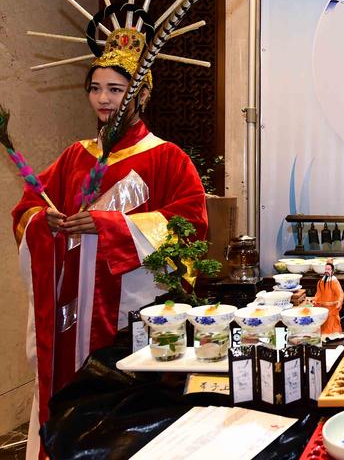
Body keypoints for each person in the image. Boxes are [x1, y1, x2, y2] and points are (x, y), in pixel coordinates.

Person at [11, 26, 208, 459]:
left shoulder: (167, 156)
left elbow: (190, 226)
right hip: (72, 309)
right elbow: (26, 211)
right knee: (65, 391)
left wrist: (110, 227)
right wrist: (48, 221)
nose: (104, 99)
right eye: (96, 88)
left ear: (141, 95)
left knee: (124, 401)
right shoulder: (74, 155)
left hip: (126, 307)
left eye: (116, 89)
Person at [312, 261, 344, 335]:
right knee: (323, 322)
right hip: (322, 307)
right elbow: (318, 294)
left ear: (332, 271)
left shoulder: (334, 282)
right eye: (326, 269)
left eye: (329, 269)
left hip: (332, 307)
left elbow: (340, 293)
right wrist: (315, 300)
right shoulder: (320, 282)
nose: (327, 271)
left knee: (332, 323)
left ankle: (333, 335)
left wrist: (339, 301)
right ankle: (324, 336)